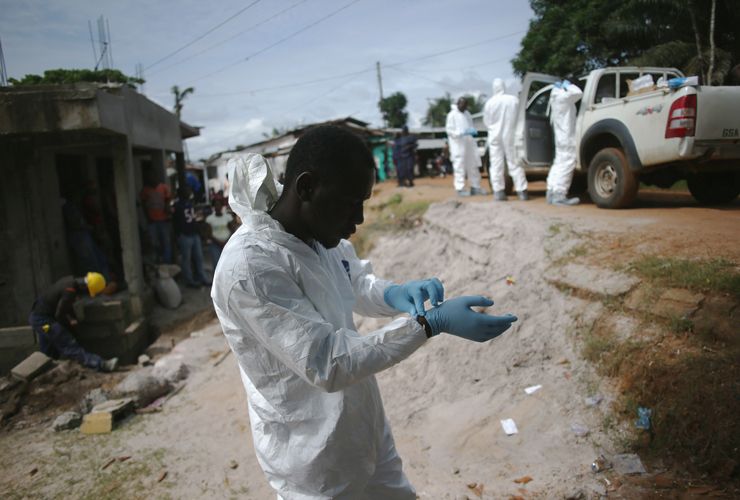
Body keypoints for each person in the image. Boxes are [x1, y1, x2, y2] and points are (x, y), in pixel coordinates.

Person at [211, 126, 517, 499]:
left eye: (364, 202)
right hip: (314, 457)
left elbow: (354, 282)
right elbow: (328, 362)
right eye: (349, 203)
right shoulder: (250, 268)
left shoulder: (320, 234)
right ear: (306, 188)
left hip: (362, 428)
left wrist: (396, 293)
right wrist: (428, 324)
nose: (358, 218)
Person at [28, 273, 118, 372]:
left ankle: (42, 375)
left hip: (41, 316)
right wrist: (70, 328)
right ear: (86, 287)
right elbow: (60, 315)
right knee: (69, 344)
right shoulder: (69, 291)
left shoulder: (69, 281)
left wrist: (73, 319)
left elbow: (64, 306)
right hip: (43, 320)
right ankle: (101, 364)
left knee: (48, 354)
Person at [483, 78, 529, 201]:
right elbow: (520, 116)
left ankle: (498, 192)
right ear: (504, 86)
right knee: (514, 162)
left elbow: (486, 122)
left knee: (496, 164)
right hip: (510, 135)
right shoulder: (513, 100)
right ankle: (522, 192)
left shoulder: (489, 103)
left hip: (494, 137)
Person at [546, 80, 583, 206]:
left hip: (560, 137)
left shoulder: (554, 97)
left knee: (559, 164)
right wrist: (569, 86)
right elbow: (578, 93)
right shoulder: (563, 96)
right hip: (566, 136)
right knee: (567, 163)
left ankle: (551, 192)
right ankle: (559, 195)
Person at [445, 97, 485, 196]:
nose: (464, 107)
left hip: (469, 144)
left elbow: (470, 126)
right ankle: (460, 188)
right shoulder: (452, 115)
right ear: (458, 104)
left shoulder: (467, 114)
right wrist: (461, 132)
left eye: (466, 105)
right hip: (458, 146)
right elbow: (449, 131)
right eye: (463, 105)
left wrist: (471, 131)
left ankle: (475, 187)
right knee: (459, 167)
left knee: (473, 166)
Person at [173, 186, 210, 288]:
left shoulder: (190, 204)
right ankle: (190, 281)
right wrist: (178, 236)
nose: (189, 192)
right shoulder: (177, 206)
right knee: (186, 259)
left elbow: (193, 219)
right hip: (185, 236)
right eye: (186, 191)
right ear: (181, 193)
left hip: (194, 234)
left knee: (199, 257)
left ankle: (202, 277)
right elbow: (175, 222)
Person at [140, 172, 173, 263]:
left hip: (163, 220)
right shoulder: (145, 190)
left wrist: (167, 212)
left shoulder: (164, 188)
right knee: (153, 244)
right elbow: (143, 205)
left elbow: (168, 201)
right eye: (150, 177)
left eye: (154, 176)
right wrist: (147, 218)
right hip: (152, 221)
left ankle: (167, 263)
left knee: (166, 244)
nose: (153, 178)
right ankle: (157, 263)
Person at [205, 199, 233, 269]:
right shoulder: (209, 219)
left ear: (222, 206)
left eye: (219, 205)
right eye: (216, 205)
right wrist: (219, 243)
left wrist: (226, 241)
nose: (218, 207)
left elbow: (232, 230)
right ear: (213, 207)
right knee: (217, 264)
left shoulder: (228, 217)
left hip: (227, 243)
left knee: (228, 263)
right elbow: (208, 234)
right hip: (215, 244)